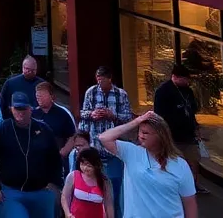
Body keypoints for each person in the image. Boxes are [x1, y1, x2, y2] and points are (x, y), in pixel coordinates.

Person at [98, 111, 196, 218]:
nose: (141, 136)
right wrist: (136, 121)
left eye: (146, 133)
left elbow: (190, 204)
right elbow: (104, 138)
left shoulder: (180, 165)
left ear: (160, 136)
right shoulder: (131, 152)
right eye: (140, 131)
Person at [0, 92, 64, 218]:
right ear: (11, 109)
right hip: (12, 191)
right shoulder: (2, 130)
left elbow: (55, 158)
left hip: (41, 191)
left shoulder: (44, 129)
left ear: (30, 108)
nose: (21, 113)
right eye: (17, 109)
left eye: (24, 108)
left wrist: (55, 183)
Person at [80, 65, 134, 208]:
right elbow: (83, 113)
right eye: (97, 80)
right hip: (95, 147)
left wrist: (112, 115)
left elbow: (128, 117)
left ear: (110, 79)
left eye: (102, 80)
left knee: (114, 190)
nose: (99, 83)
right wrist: (92, 114)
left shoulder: (121, 94)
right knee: (95, 191)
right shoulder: (90, 92)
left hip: (115, 151)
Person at [152, 64, 207, 194]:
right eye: (185, 79)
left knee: (193, 160)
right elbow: (159, 115)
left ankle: (193, 184)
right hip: (172, 135)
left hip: (188, 133)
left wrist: (196, 127)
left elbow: (192, 110)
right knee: (174, 162)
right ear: (175, 77)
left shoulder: (188, 91)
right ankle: (175, 186)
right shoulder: (163, 92)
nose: (187, 82)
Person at [61, 146, 115, 218]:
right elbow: (65, 197)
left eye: (88, 165)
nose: (85, 168)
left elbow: (109, 205)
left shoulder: (105, 182)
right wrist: (67, 214)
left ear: (96, 165)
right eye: (82, 164)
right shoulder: (73, 176)